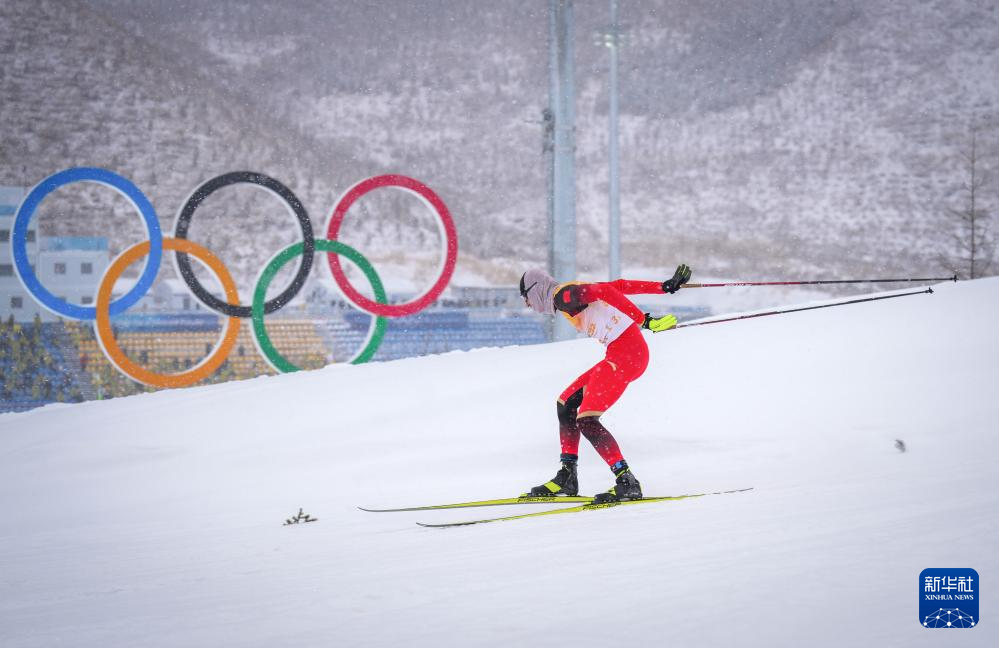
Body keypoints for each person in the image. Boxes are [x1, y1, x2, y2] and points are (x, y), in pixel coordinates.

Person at [519, 264, 692, 503]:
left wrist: (645, 321)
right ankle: (567, 476)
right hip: (623, 354)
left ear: (536, 289)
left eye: (526, 297)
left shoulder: (563, 296)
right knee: (566, 403)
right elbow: (619, 287)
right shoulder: (567, 292)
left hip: (626, 355)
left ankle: (626, 481)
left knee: (586, 420)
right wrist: (663, 287)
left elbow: (607, 292)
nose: (527, 304)